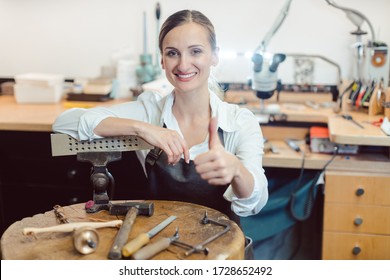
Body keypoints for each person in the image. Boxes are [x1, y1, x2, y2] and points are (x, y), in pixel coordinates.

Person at [53, 9, 268, 224]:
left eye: (195, 51)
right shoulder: (150, 112)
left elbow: (256, 202)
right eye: (172, 53)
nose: (183, 65)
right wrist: (142, 128)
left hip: (222, 249)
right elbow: (64, 122)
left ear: (214, 56)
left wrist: (237, 171)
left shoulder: (239, 122)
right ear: (163, 61)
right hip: (160, 244)